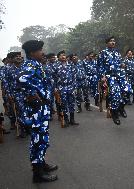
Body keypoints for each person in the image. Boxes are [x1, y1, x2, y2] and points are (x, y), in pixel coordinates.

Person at [19, 40, 58, 183]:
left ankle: (41, 164)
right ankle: (38, 174)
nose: (42, 52)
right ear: (32, 53)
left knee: (42, 139)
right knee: (38, 140)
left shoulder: (36, 64)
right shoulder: (30, 64)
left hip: (41, 108)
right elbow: (21, 79)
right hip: (36, 110)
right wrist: (32, 93)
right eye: (40, 50)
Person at [97, 36, 130, 125]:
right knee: (116, 95)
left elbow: (120, 63)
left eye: (114, 41)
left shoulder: (117, 53)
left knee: (128, 91)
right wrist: (102, 76)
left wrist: (122, 65)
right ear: (107, 43)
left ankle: (121, 107)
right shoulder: (103, 53)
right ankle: (114, 113)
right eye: (111, 41)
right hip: (110, 77)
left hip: (120, 75)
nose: (113, 42)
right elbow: (99, 66)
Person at [55, 51, 79, 127]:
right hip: (62, 87)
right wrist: (55, 88)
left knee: (71, 103)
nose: (63, 56)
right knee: (63, 104)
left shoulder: (71, 65)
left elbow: (74, 77)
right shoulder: (56, 66)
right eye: (61, 55)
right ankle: (66, 120)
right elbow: (54, 79)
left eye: (64, 55)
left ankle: (72, 120)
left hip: (70, 87)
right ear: (58, 58)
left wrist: (75, 87)